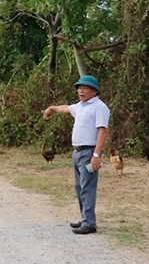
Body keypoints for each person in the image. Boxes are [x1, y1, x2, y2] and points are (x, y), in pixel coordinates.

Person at [43, 75, 110, 234]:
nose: (80, 90)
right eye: (79, 88)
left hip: (88, 153)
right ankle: (85, 218)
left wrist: (96, 155)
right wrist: (52, 108)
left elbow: (102, 131)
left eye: (84, 88)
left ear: (94, 91)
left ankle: (89, 223)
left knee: (87, 187)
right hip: (78, 152)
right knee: (80, 186)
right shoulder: (81, 106)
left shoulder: (99, 107)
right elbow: (66, 108)